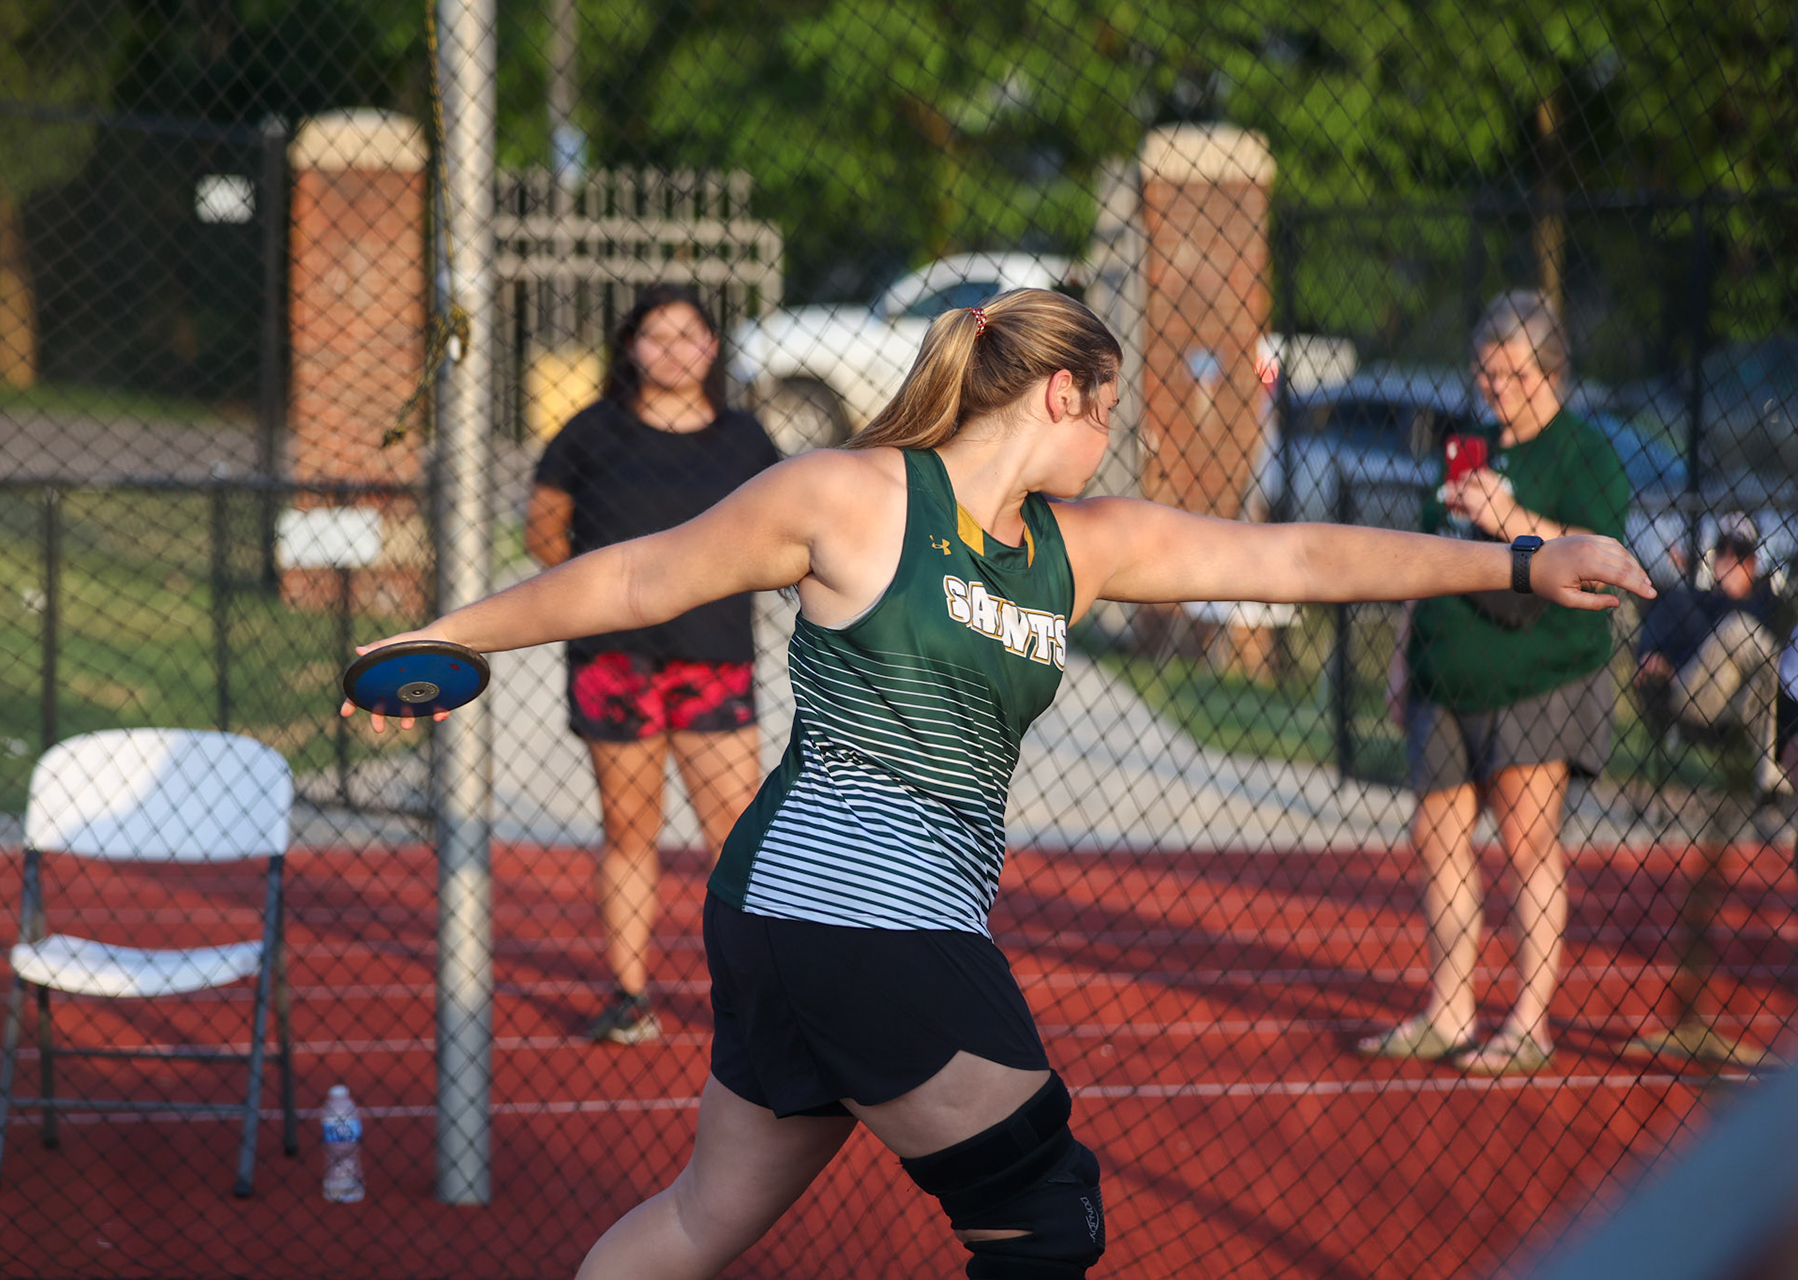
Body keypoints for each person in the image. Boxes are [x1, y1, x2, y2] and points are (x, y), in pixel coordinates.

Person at [345, 288, 1650, 1280]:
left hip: (818, 922)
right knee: (1043, 1207)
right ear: (1058, 399)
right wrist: (448, 636)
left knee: (705, 1217)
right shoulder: (855, 497)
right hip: (851, 907)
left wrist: (1527, 566)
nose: (1114, 439)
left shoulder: (1076, 550)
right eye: (1110, 409)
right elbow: (633, 579)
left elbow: (1302, 557)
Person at [1360, 290, 1633, 1076]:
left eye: (1511, 372)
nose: (1494, 386)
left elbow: (1600, 553)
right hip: (1448, 669)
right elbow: (1425, 551)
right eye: (1485, 370)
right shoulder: (1469, 444)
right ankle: (1449, 1009)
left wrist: (1511, 515)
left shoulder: (1583, 452)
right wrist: (1405, 652)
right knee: (1438, 836)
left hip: (1537, 676)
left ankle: (1528, 1024)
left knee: (1526, 842)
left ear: (1551, 370)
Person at [525, 284, 781, 1044]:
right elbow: (544, 534)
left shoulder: (746, 439)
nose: (673, 348)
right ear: (630, 347)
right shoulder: (588, 433)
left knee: (739, 835)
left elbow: (777, 537)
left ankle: (759, 996)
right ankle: (628, 996)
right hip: (615, 662)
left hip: (715, 659)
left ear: (713, 347)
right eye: (656, 335)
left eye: (690, 334)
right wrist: (610, 595)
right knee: (630, 827)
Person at [1634, 512, 1783, 794]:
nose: (1729, 559)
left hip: (1740, 701)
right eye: (1723, 550)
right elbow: (1650, 650)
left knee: (1756, 660)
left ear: (1752, 563)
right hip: (1690, 693)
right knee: (1739, 629)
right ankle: (1792, 674)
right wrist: (1653, 659)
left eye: (1739, 553)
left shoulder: (1765, 604)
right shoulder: (1691, 599)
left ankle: (1770, 783)